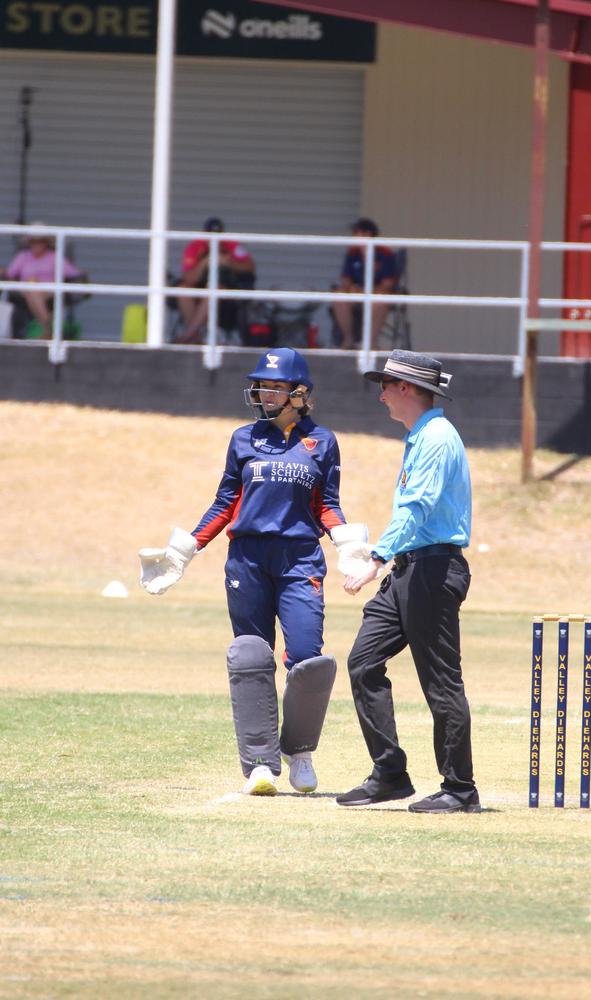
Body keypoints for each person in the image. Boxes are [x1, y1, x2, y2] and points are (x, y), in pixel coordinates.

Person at [139, 348, 363, 797]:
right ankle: (260, 764)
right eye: (261, 385)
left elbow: (326, 504)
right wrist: (185, 551)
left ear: (298, 394)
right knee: (250, 655)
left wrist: (349, 544)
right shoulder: (243, 439)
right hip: (248, 559)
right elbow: (226, 502)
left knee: (307, 658)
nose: (263, 393)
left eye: (274, 386)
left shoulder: (322, 442)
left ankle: (299, 752)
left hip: (300, 558)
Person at [335, 349, 481, 814]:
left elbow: (417, 509)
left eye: (386, 385)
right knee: (362, 662)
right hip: (410, 569)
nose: (380, 396)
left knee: (441, 683)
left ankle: (460, 789)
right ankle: (390, 773)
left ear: (407, 389)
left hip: (434, 570)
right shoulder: (420, 437)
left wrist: (375, 558)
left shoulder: (437, 438)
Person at [174, 217, 255, 344]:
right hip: (199, 286)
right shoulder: (195, 246)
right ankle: (195, 334)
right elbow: (189, 278)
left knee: (213, 288)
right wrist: (204, 263)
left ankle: (188, 336)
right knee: (183, 289)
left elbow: (249, 267)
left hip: (226, 288)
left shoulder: (232, 245)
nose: (214, 239)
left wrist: (229, 262)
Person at [1, 226, 83, 339]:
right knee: (32, 291)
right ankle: (48, 327)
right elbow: (9, 274)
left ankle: (45, 328)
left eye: (40, 241)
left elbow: (74, 273)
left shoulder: (53, 257)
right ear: (29, 243)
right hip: (26, 289)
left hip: (49, 289)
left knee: (34, 292)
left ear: (46, 243)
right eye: (33, 242)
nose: (36, 245)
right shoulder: (23, 256)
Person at [331, 217, 397, 350]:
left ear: (368, 234)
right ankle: (348, 340)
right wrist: (352, 288)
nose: (354, 236)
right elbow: (345, 280)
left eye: (357, 233)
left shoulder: (385, 253)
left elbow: (388, 284)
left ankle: (370, 343)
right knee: (339, 296)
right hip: (356, 293)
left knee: (381, 300)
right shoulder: (353, 253)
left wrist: (368, 291)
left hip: (377, 294)